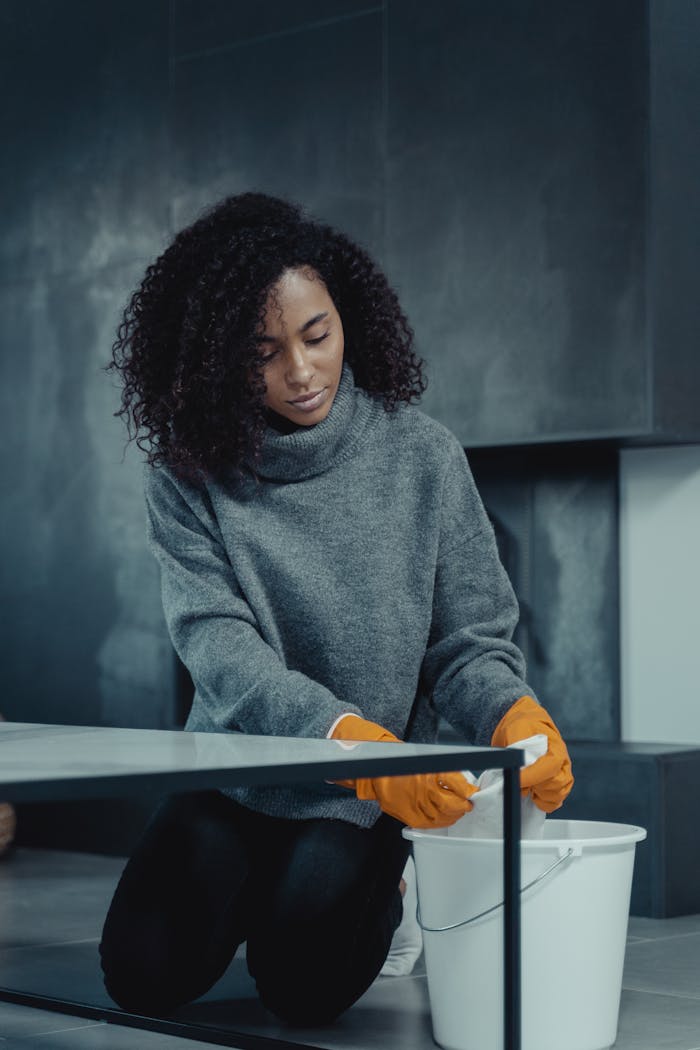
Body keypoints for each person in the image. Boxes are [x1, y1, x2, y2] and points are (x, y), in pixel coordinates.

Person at [99, 192, 573, 1025]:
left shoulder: (422, 455)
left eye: (316, 335)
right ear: (216, 357)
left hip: (366, 793)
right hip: (239, 776)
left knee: (305, 991)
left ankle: (382, 879)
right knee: (143, 974)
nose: (301, 371)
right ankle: (256, 891)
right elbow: (218, 648)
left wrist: (511, 710)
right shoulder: (187, 473)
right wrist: (341, 740)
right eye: (263, 352)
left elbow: (468, 641)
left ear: (345, 317)